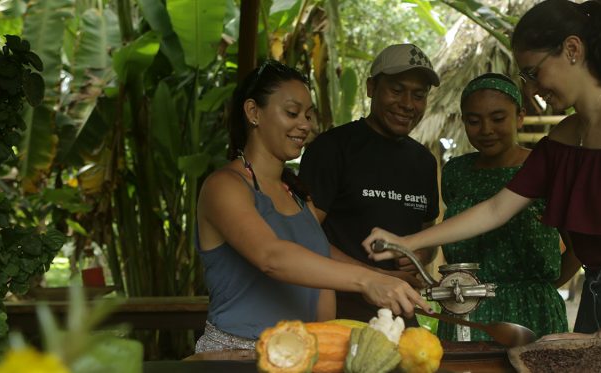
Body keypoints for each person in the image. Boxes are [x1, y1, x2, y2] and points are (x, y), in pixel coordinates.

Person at [362, 1, 601, 371]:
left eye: (534, 72)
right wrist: (409, 242)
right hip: (600, 293)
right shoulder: (565, 136)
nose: (532, 88)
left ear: (573, 50)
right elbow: (497, 209)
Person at [194, 60, 428, 353]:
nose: (305, 125)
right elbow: (272, 256)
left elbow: (317, 257)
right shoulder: (225, 186)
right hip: (236, 355)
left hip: (302, 353)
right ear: (254, 112)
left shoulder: (295, 193)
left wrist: (384, 279)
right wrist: (366, 280)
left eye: (308, 115)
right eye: (292, 113)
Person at [299, 44, 442, 323]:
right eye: (397, 90)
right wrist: (379, 277)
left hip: (401, 317)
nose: (407, 104)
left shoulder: (424, 161)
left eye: (419, 95)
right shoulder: (332, 148)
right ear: (371, 87)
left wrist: (421, 252)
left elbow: (428, 234)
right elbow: (303, 235)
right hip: (337, 315)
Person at [435, 73, 575, 341]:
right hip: (465, 311)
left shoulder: (545, 168)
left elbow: (577, 247)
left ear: (519, 116)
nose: (486, 129)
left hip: (531, 313)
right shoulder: (456, 173)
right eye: (474, 121)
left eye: (498, 119)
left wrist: (539, 290)